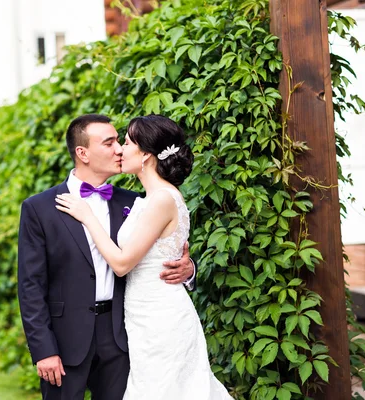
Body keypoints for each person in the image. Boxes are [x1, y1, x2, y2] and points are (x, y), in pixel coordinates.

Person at [18, 114, 196, 400]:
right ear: (82, 153)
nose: (118, 149)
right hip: (65, 339)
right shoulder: (40, 209)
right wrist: (43, 349)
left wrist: (188, 268)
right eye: (110, 142)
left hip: (122, 337)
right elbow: (30, 286)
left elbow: (160, 247)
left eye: (121, 141)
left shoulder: (135, 202)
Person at [56, 115, 233, 399]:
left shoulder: (162, 199)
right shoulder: (145, 200)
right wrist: (186, 266)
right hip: (141, 321)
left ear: (146, 156)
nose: (119, 150)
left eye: (126, 143)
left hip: (161, 319)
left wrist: (88, 217)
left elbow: (123, 263)